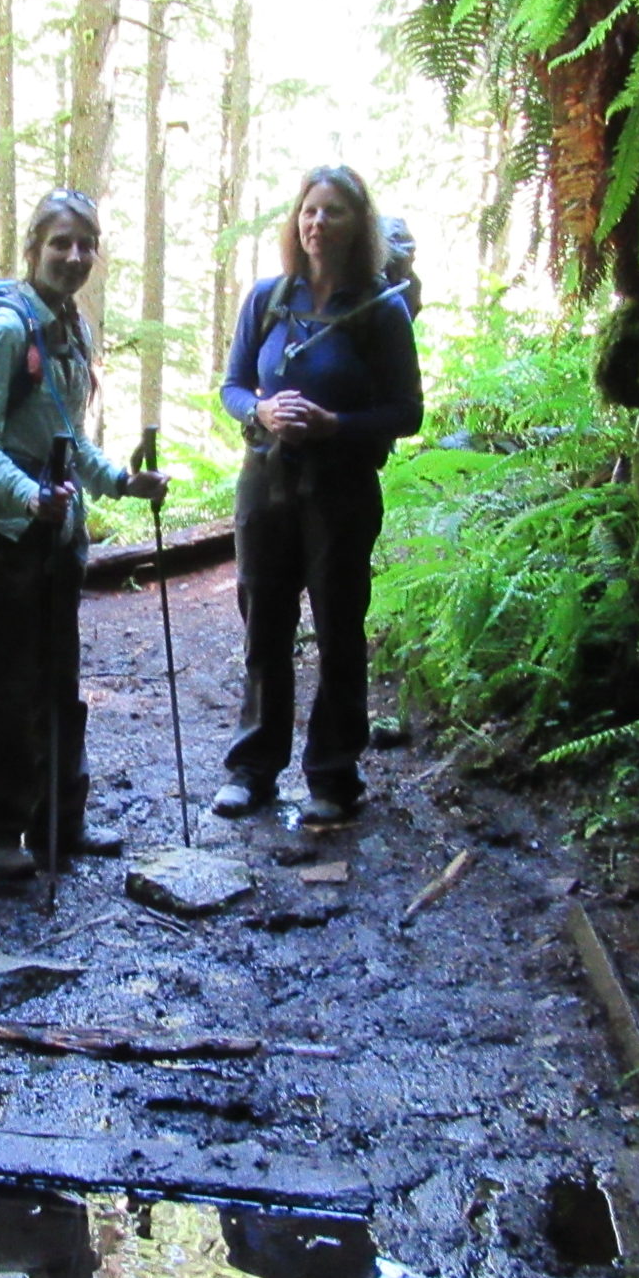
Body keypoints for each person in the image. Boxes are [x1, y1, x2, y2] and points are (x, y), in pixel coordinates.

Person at [0, 189, 170, 881]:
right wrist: (28, 496)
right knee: (2, 687)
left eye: (85, 244)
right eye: (60, 243)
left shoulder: (70, 325)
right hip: (6, 539)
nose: (74, 256)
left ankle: (60, 822)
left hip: (59, 540)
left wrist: (120, 481)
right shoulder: (6, 327)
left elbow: (70, 436)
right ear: (33, 248)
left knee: (58, 681)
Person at [212, 165, 423, 825]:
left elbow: (406, 412)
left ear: (358, 224)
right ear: (295, 220)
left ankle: (334, 774)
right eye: (309, 209)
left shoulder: (381, 312)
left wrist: (337, 426)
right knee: (265, 625)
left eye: (333, 211)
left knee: (338, 628)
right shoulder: (268, 300)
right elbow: (233, 388)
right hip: (265, 485)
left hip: (341, 491)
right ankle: (254, 769)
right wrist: (264, 413)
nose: (317, 222)